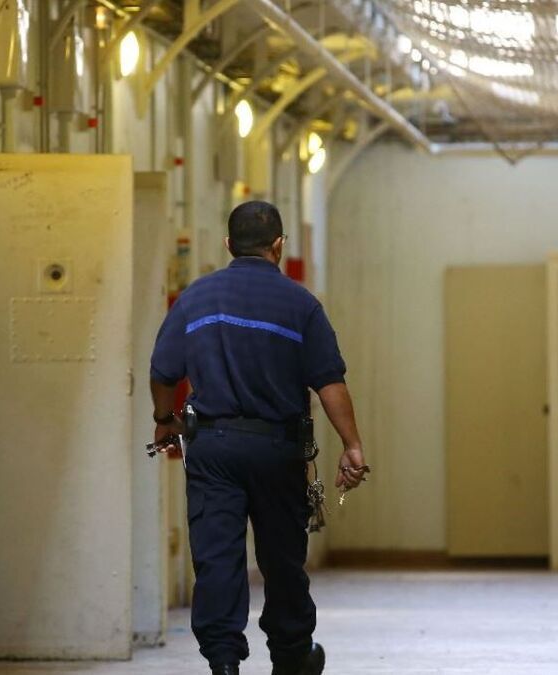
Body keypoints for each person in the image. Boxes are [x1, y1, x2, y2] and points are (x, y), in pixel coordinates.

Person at [148, 201, 368, 675]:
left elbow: (163, 371)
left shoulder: (196, 298)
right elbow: (330, 382)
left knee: (218, 556)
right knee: (283, 559)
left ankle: (224, 662)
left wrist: (165, 419)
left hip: (213, 451)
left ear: (228, 245)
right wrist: (351, 445)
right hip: (277, 451)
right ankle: (291, 656)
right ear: (278, 246)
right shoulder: (300, 304)